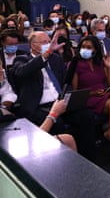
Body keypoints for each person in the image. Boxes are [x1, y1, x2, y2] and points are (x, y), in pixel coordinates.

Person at [9, 31, 96, 160]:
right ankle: (60, 161)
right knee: (57, 123)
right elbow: (22, 72)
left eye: (49, 42)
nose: (48, 45)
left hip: (59, 101)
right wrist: (45, 55)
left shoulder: (55, 59)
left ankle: (86, 159)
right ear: (33, 45)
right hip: (38, 106)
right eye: (44, 42)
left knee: (86, 116)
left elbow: (65, 82)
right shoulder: (21, 59)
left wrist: (69, 97)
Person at [68, 35, 110, 166]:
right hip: (89, 98)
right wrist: (93, 92)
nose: (85, 49)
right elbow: (76, 91)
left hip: (104, 95)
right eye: (83, 47)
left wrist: (108, 67)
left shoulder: (100, 62)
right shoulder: (75, 64)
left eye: (89, 47)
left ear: (95, 50)